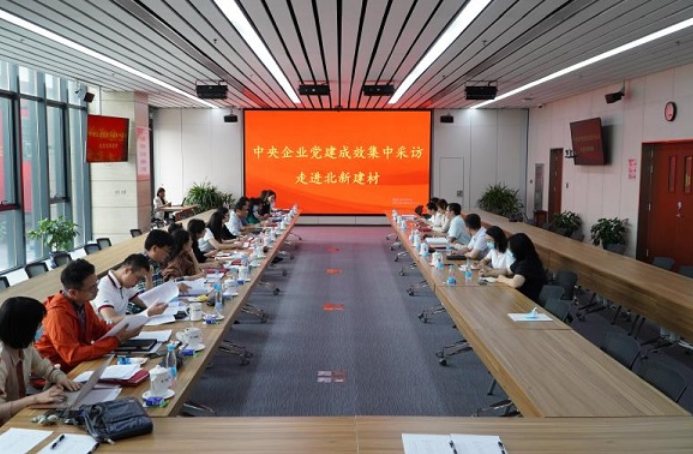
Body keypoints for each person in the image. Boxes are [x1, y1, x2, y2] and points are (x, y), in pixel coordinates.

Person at [35, 259, 142, 373]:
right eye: (92, 288)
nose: (97, 290)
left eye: (96, 284)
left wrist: (123, 328)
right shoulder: (57, 314)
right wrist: (116, 340)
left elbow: (98, 330)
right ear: (73, 293)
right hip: (57, 372)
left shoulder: (82, 301)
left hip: (79, 364)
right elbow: (72, 356)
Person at [0, 297, 81, 425]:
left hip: (17, 416)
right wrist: (35, 399)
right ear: (24, 328)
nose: (41, 328)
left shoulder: (24, 346)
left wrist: (60, 378)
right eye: (38, 325)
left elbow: (45, 368)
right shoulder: (2, 359)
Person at [91, 254, 168, 324]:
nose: (137, 282)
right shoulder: (103, 288)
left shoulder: (124, 284)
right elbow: (111, 321)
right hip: (106, 333)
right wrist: (146, 314)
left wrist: (148, 278)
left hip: (121, 329)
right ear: (127, 271)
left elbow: (146, 302)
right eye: (138, 278)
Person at [498, 233, 547, 303]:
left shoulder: (527, 263)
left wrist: (503, 279)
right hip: (522, 296)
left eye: (511, 249)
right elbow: (507, 271)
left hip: (530, 301)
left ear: (518, 249)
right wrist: (489, 272)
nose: (509, 251)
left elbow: (515, 283)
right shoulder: (522, 258)